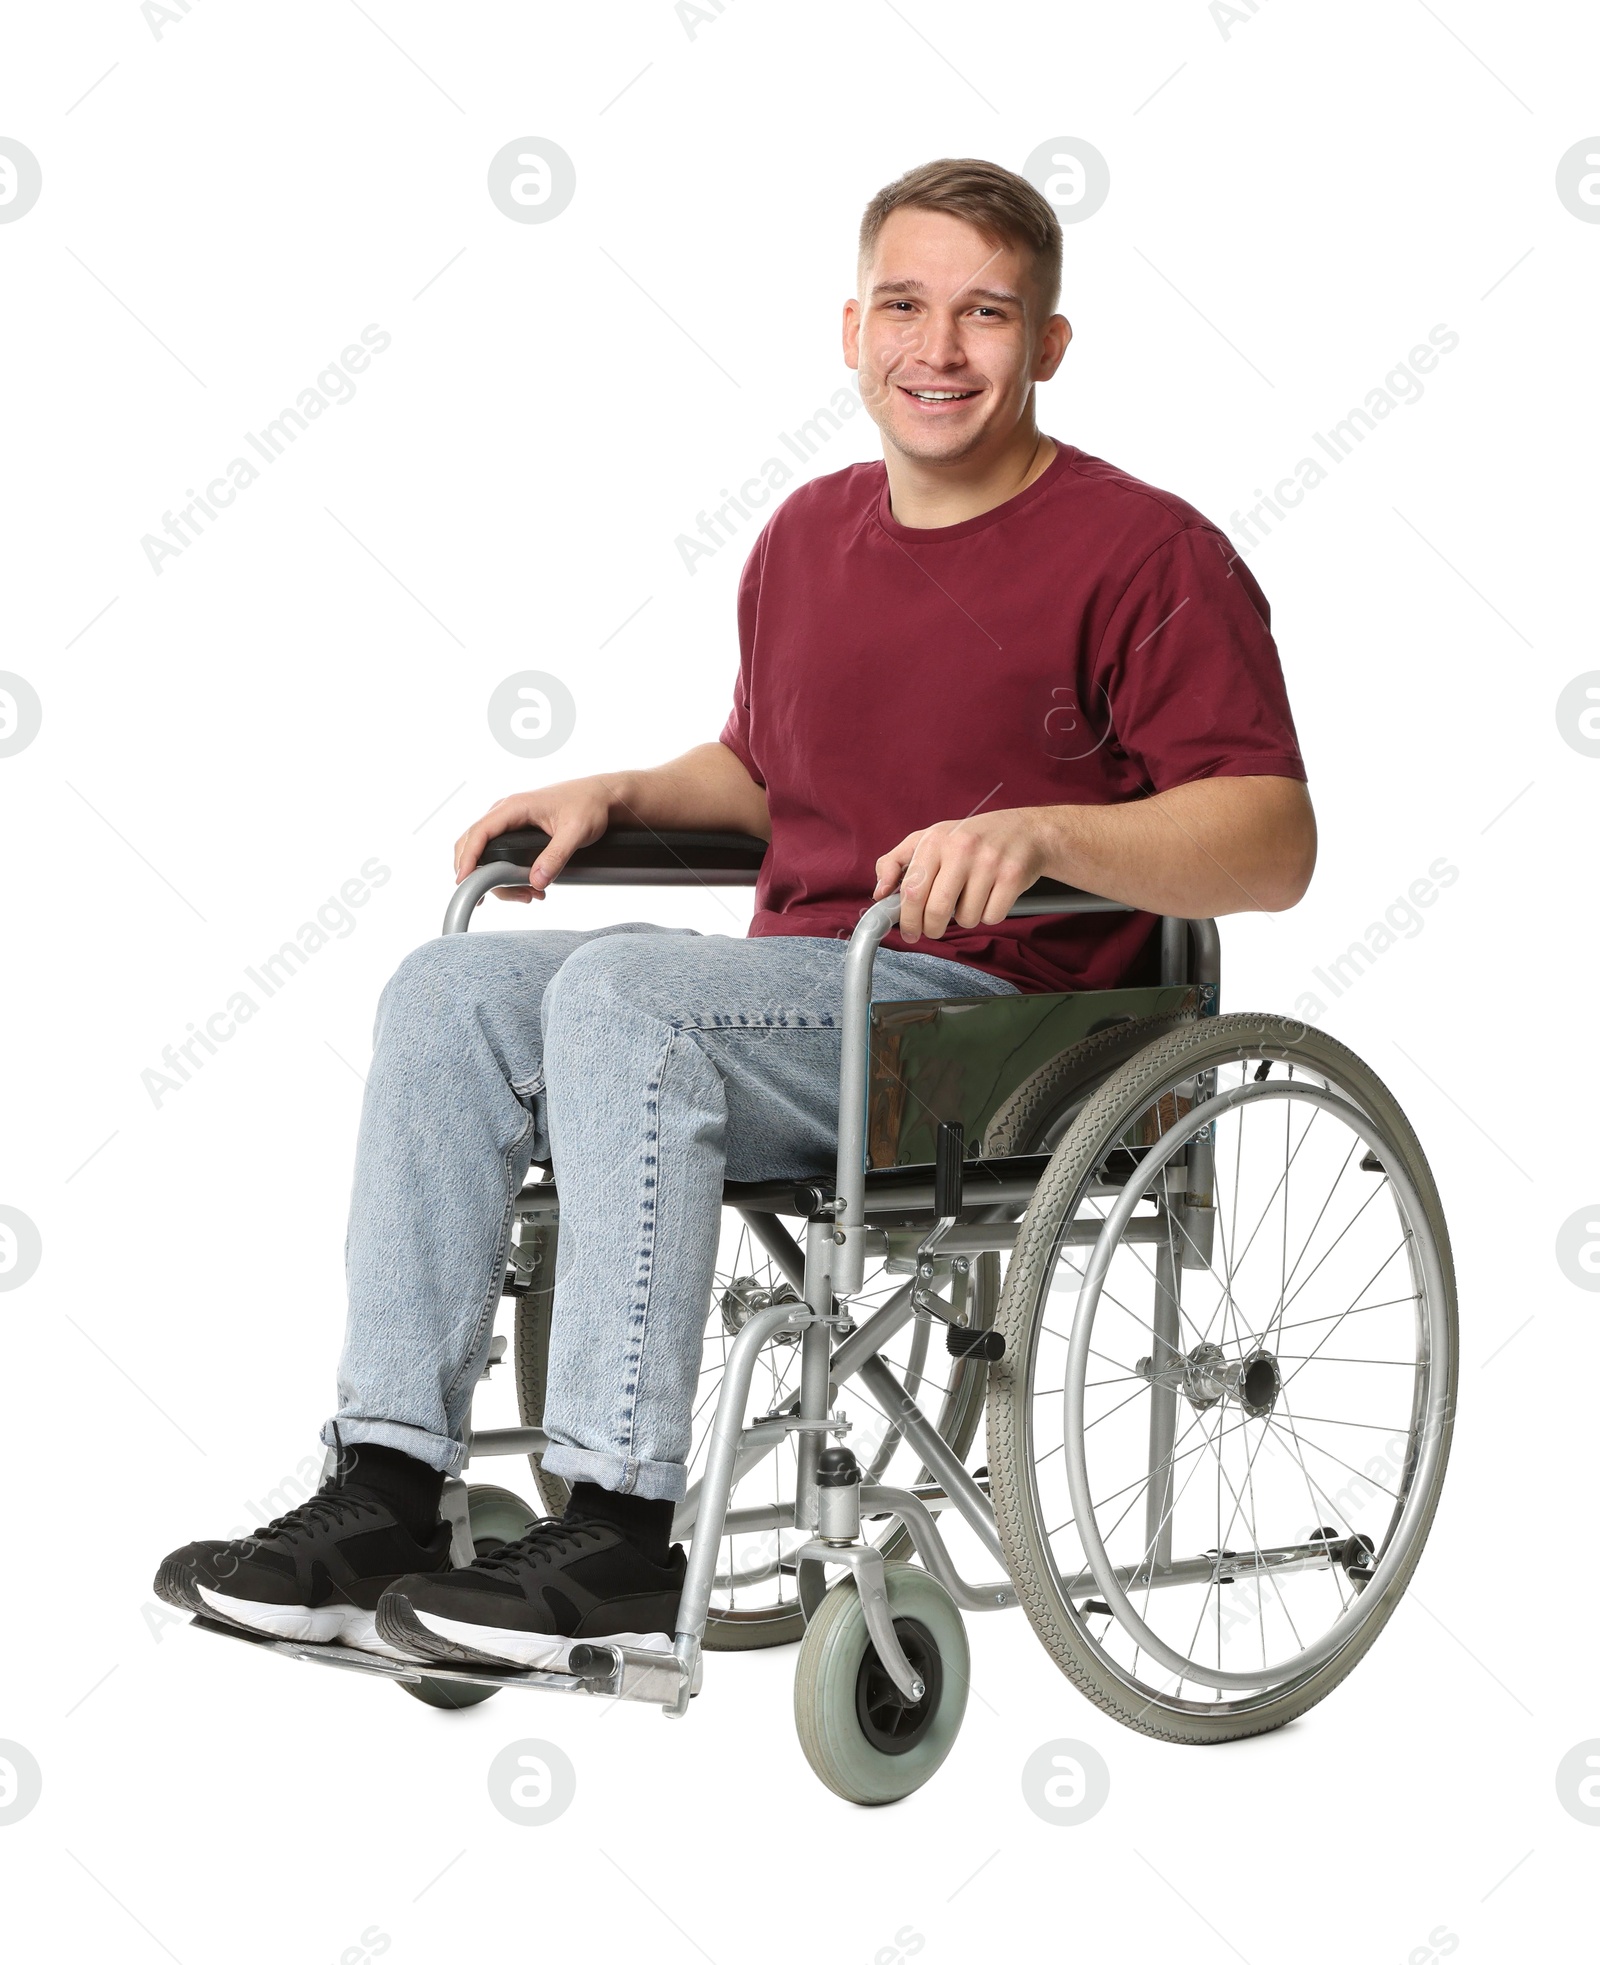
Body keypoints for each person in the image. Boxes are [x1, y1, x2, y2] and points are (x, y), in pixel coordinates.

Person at [156, 156, 1315, 1674]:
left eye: (983, 313)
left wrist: (1043, 828)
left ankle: (622, 1531)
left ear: (1048, 344)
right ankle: (384, 1486)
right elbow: (778, 777)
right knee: (442, 994)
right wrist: (624, 793)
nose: (938, 348)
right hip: (802, 998)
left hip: (1000, 1024)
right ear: (850, 329)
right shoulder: (805, 537)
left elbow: (1273, 837)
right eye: (904, 305)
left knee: (627, 998)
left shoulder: (1148, 554)